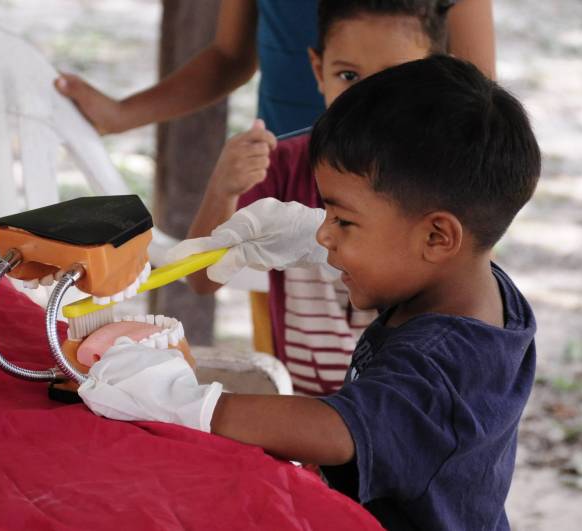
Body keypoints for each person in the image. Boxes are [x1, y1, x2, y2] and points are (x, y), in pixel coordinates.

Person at [78, 55, 542, 529]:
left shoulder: (443, 369)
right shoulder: (476, 289)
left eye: (343, 220)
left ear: (437, 237)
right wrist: (319, 238)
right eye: (325, 216)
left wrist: (181, 401)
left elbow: (335, 429)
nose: (325, 233)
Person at [183, 0, 457, 396]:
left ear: (434, 79)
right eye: (348, 75)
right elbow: (199, 279)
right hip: (301, 415)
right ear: (318, 71)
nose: (368, 100)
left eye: (395, 79)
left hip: (398, 407)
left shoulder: (446, 177)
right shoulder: (283, 167)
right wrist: (223, 189)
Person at [54, 0, 496, 136]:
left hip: (412, 193)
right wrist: (120, 115)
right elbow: (229, 59)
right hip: (290, 193)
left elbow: (480, 101)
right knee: (290, 351)